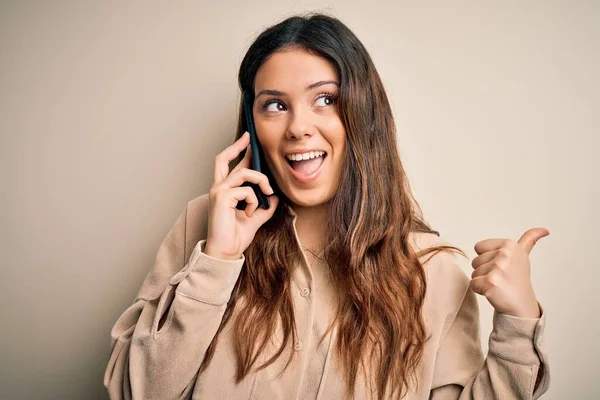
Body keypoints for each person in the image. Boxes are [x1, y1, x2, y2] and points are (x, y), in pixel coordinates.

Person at [104, 13, 550, 400]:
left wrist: (518, 323)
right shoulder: (204, 227)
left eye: (326, 99)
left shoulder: (434, 272)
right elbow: (138, 393)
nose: (299, 127)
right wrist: (218, 260)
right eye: (275, 105)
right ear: (252, 127)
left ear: (363, 114)